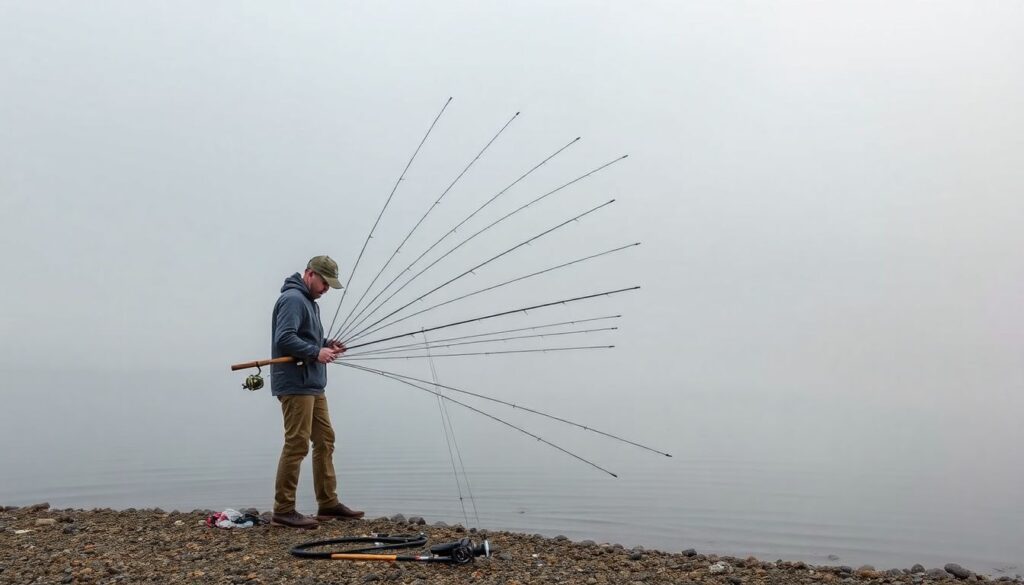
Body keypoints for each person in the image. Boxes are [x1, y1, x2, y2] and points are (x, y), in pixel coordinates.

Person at [269, 255, 365, 529]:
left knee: (325, 440)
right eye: (324, 283)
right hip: (295, 384)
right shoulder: (293, 299)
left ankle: (328, 503)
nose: (326, 290)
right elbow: (284, 338)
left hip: (312, 383)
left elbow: (305, 338)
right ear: (310, 274)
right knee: (297, 443)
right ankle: (283, 510)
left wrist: (326, 344)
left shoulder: (310, 303)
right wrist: (315, 352)